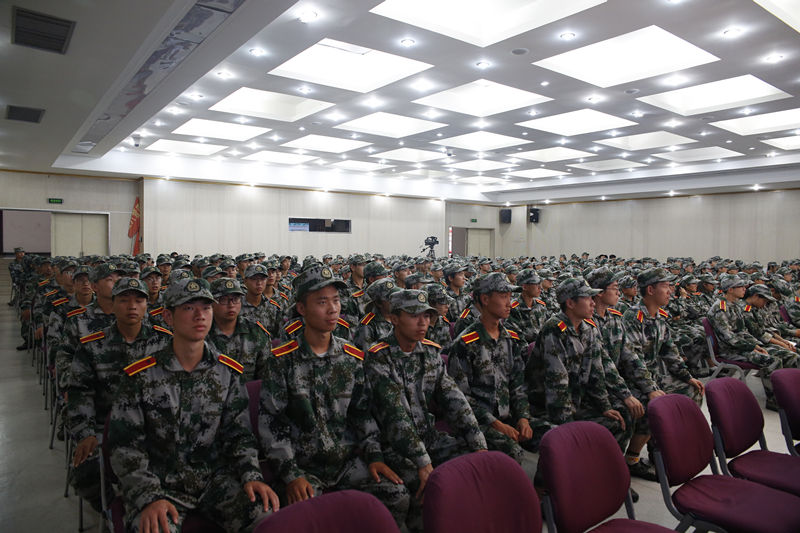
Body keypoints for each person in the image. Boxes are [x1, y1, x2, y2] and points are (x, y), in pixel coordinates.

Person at [109, 278, 277, 533]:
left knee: (267, 518)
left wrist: (251, 475)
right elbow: (125, 447)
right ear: (168, 316)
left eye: (206, 308)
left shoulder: (227, 372)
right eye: (188, 308)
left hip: (215, 481)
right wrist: (149, 496)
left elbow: (239, 435)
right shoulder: (140, 376)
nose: (200, 316)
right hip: (161, 485)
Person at [257, 265, 410, 528]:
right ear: (302, 309)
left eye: (336, 300)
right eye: (322, 302)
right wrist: (291, 474)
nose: (333, 309)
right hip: (304, 467)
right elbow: (272, 423)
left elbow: (362, 413)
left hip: (346, 463)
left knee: (398, 495)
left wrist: (374, 455)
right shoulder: (282, 361)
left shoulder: (350, 357)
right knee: (305, 519)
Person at [365, 289, 487, 532]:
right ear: (394, 319)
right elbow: (395, 415)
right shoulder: (378, 357)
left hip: (428, 438)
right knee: (423, 487)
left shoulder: (430, 352)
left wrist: (479, 445)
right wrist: (423, 461)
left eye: (426, 315)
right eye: (413, 315)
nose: (423, 322)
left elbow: (454, 399)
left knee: (473, 465)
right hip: (394, 447)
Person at [67, 277, 173, 511]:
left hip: (156, 427)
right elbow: (79, 393)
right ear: (112, 304)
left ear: (147, 305)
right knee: (85, 471)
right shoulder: (92, 346)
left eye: (139, 300)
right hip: (106, 427)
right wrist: (85, 433)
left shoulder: (166, 342)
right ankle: (111, 510)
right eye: (124, 300)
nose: (132, 306)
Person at [448, 272, 551, 465]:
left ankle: (543, 482)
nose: (509, 303)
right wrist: (496, 424)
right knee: (513, 453)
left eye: (510, 297)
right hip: (479, 421)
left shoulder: (510, 339)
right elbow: (461, 397)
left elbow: (518, 386)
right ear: (485, 299)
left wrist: (523, 418)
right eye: (503, 296)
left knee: (553, 437)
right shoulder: (465, 344)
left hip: (509, 416)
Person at [529, 277, 632, 449]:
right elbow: (557, 383)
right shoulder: (554, 329)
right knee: (569, 441)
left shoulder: (588, 329)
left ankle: (600, 465)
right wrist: (567, 424)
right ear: (570, 303)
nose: (593, 303)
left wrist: (604, 406)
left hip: (576, 402)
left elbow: (596, 372)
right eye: (587, 298)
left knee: (619, 421)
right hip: (546, 407)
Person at [623, 268, 704, 480]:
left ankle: (661, 450)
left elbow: (670, 352)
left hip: (653, 376)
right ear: (650, 290)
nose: (670, 291)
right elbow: (632, 360)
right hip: (632, 380)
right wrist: (651, 389)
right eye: (665, 287)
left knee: (692, 391)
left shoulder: (659, 317)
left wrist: (687, 377)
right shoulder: (632, 318)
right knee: (652, 405)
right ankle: (632, 459)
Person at [707, 275, 792, 410]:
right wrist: (752, 347)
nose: (744, 289)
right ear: (730, 289)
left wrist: (756, 345)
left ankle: (785, 393)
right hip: (730, 350)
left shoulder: (734, 305)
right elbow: (730, 338)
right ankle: (774, 401)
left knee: (781, 355)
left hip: (741, 347)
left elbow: (743, 331)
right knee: (772, 361)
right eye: (740, 286)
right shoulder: (720, 308)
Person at [207, 278, 272, 381]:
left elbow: (266, 378)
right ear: (211, 303)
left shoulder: (256, 333)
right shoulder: (201, 333)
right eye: (223, 299)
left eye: (236, 299)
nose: (231, 305)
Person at [354, 278, 400, 351]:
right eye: (390, 298)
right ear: (379, 303)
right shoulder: (367, 326)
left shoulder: (402, 317)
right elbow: (366, 354)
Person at [239, 263, 284, 336]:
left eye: (262, 279)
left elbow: (279, 336)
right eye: (254, 279)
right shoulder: (236, 307)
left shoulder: (274, 308)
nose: (259, 283)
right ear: (245, 281)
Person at [508, 269, 549, 344]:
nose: (540, 287)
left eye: (539, 284)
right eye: (536, 284)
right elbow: (517, 340)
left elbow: (546, 329)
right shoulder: (513, 309)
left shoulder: (541, 305)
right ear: (524, 287)